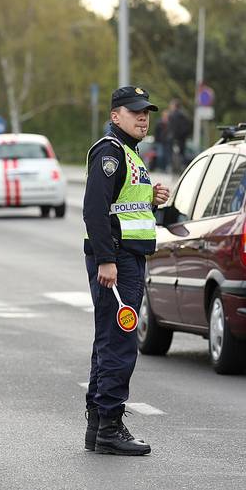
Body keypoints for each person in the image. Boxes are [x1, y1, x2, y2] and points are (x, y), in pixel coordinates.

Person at [82, 86, 170, 456]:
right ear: (115, 115)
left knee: (108, 341)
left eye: (146, 112)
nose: (143, 117)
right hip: (117, 260)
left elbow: (120, 204)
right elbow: (94, 209)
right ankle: (110, 428)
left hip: (124, 258)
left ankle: (98, 426)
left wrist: (151, 197)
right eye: (135, 112)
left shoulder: (128, 153)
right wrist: (106, 260)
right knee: (119, 343)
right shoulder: (111, 152)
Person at [166, 98, 191, 173]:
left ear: (174, 106)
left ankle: (174, 168)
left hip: (175, 138)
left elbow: (172, 128)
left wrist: (172, 136)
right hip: (183, 138)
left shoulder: (173, 115)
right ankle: (183, 168)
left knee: (173, 154)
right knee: (182, 154)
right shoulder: (184, 114)